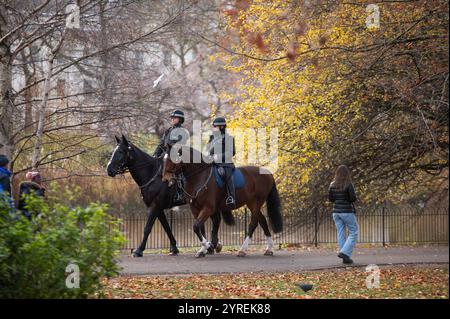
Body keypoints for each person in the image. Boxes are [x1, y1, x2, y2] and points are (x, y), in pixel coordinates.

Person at [154, 109, 189, 205]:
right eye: (172, 118)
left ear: (180, 119)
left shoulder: (183, 131)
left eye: (175, 118)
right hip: (166, 156)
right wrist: (155, 154)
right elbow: (161, 144)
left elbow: (180, 144)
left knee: (177, 172)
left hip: (178, 155)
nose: (172, 119)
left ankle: (179, 194)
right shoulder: (168, 130)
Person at [328, 165, 359, 264]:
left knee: (341, 232)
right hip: (346, 211)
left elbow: (331, 199)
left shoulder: (332, 184)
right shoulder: (348, 184)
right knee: (354, 231)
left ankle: (345, 257)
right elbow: (353, 198)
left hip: (336, 212)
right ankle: (344, 252)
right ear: (347, 173)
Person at [207, 117, 236, 207]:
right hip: (212, 163)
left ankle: (231, 197)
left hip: (225, 164)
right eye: (213, 126)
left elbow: (231, 152)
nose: (213, 128)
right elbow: (208, 151)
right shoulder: (212, 138)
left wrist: (217, 157)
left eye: (215, 126)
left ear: (222, 127)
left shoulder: (228, 138)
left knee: (225, 174)